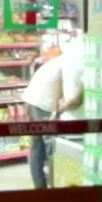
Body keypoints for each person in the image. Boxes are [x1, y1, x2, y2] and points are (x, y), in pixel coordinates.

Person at [21, 46, 83, 189]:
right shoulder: (68, 65)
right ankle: (55, 188)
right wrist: (56, 112)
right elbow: (63, 90)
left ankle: (41, 188)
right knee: (51, 148)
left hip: (30, 101)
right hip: (42, 106)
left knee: (37, 147)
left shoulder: (57, 62)